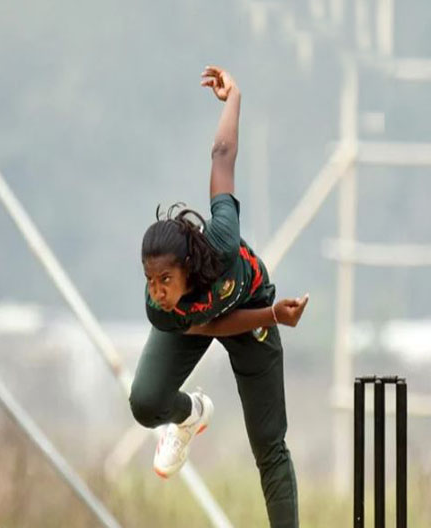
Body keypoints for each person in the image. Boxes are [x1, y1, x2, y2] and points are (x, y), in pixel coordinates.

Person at [129, 66, 309, 528]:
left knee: (269, 444)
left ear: (187, 266)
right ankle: (190, 416)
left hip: (252, 306)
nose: (157, 291)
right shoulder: (161, 308)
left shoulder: (222, 241)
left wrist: (234, 98)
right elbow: (211, 325)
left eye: (165, 279)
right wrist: (274, 316)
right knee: (145, 402)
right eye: (150, 280)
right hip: (237, 317)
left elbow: (223, 156)